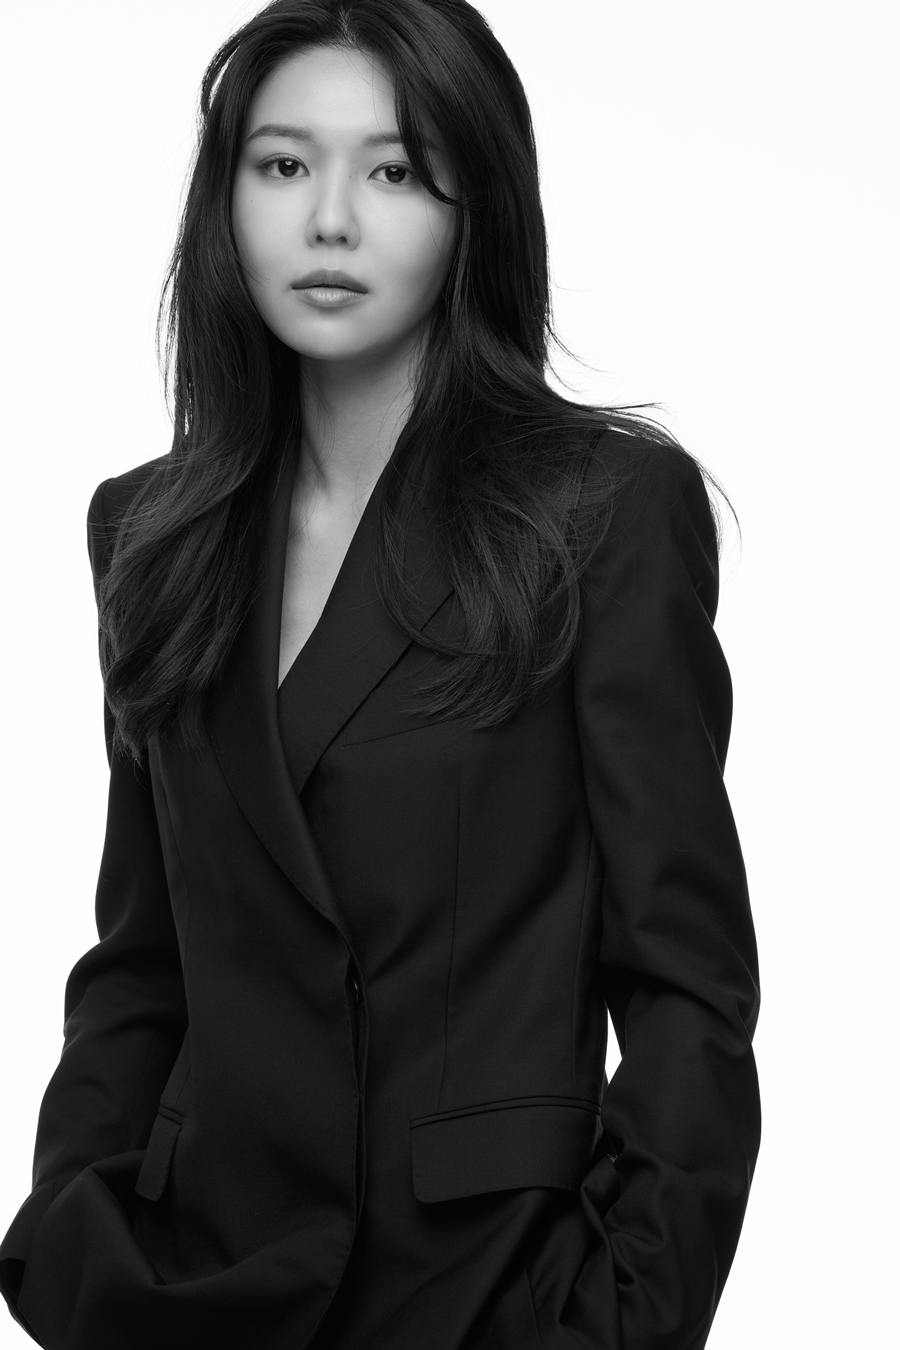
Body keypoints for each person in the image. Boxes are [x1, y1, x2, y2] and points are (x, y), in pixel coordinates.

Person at [0, 1, 761, 1346]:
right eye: (284, 163)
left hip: (476, 1291)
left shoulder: (599, 512)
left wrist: (625, 1315)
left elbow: (687, 982)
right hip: (189, 1290)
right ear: (225, 197)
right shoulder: (151, 530)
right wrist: (67, 1226)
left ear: (478, 205)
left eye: (396, 169)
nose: (331, 219)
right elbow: (144, 959)